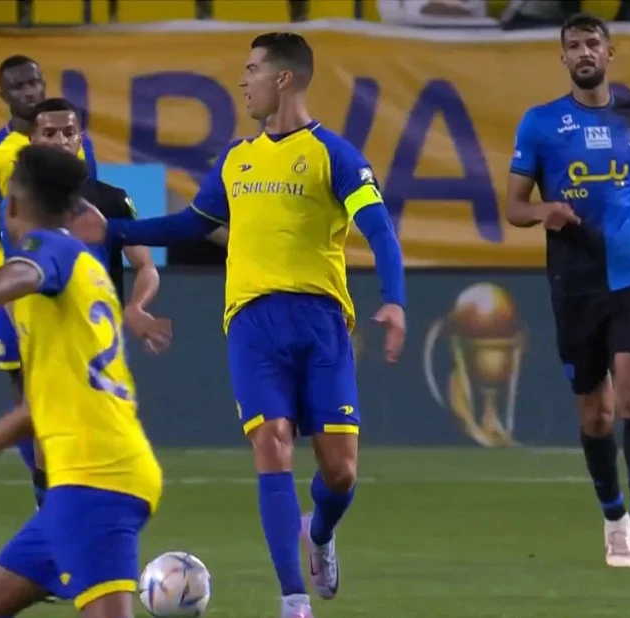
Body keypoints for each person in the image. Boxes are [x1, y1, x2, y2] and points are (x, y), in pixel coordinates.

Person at [74, 32, 406, 618]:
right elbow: (192, 223)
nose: (242, 81)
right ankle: (293, 600)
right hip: (253, 323)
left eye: (252, 70)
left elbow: (378, 229)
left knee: (340, 471)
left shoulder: (334, 155)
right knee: (272, 443)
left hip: (322, 322)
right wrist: (117, 231)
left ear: (283, 78)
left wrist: (394, 300)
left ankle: (320, 534)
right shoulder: (236, 159)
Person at [0, 144, 169, 618]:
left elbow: (26, 270)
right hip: (84, 478)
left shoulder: (52, 252)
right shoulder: (83, 271)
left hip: (98, 477)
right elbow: (35, 409)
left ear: (13, 206)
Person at [506, 13, 630, 567]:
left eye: (593, 43)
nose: (584, 52)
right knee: (596, 415)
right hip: (575, 285)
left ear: (610, 54)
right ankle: (615, 518)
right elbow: (514, 206)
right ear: (562, 57)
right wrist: (544, 210)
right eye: (574, 45)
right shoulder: (540, 123)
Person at [0, 55, 98, 507]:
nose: (30, 92)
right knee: (28, 395)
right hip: (17, 284)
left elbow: (87, 207)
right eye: (19, 86)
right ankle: (45, 492)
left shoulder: (76, 143)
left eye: (35, 83)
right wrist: (26, 210)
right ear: (3, 95)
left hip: (68, 280)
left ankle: (68, 488)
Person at [27, 97, 164, 352]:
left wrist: (136, 306)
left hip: (101, 340)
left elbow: (145, 266)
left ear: (80, 139)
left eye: (69, 133)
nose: (60, 141)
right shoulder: (19, 205)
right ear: (32, 140)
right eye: (49, 133)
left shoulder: (112, 200)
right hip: (43, 339)